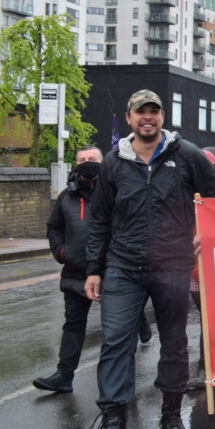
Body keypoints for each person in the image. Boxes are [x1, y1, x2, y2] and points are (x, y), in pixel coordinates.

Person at [73, 89, 215, 429]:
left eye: (154, 112)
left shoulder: (186, 155)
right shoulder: (113, 162)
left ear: (162, 117)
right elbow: (99, 219)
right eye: (140, 112)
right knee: (115, 343)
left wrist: (205, 230)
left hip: (172, 266)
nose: (148, 117)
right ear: (129, 118)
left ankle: (172, 415)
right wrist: (94, 269)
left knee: (174, 342)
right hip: (122, 267)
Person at [35, 146, 151, 394]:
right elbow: (53, 227)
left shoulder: (119, 191)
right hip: (76, 273)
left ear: (104, 162)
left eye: (93, 159)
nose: (87, 163)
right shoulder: (67, 196)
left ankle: (121, 382)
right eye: (82, 160)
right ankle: (64, 376)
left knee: (117, 330)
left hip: (113, 271)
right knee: (73, 324)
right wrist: (61, 251)